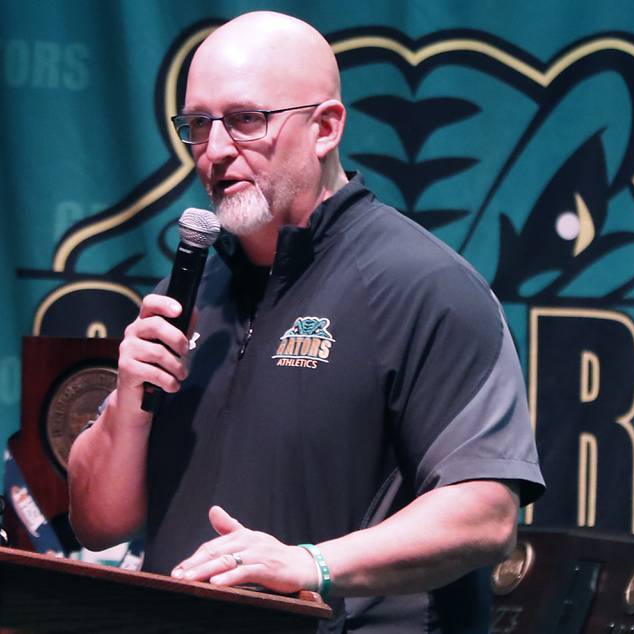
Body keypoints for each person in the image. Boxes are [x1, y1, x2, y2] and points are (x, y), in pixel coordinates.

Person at [68, 10, 545, 633]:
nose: (213, 151)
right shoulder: (187, 291)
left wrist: (310, 564)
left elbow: (485, 513)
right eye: (197, 125)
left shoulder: (425, 287)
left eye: (245, 121)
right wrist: (130, 398)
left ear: (325, 128)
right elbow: (98, 523)